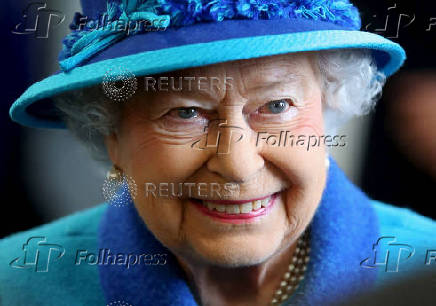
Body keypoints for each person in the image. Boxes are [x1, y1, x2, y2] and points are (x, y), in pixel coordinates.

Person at [1, 0, 435, 305]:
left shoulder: (423, 270)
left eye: (277, 106)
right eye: (185, 112)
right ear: (112, 136)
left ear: (328, 111)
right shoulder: (16, 284)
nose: (237, 165)